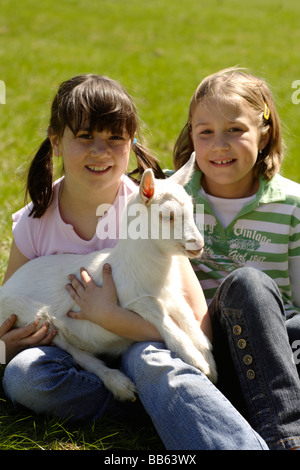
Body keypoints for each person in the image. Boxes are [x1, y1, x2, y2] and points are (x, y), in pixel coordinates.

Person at [0, 73, 267, 450]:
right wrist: (6, 347)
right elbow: (7, 311)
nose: (100, 151)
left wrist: (115, 320)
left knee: (153, 364)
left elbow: (192, 318)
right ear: (56, 142)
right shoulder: (35, 220)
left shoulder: (153, 207)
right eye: (85, 137)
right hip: (70, 351)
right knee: (23, 376)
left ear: (132, 145)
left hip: (139, 346)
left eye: (115, 139)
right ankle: (154, 407)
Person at [173, 67, 300, 450]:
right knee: (249, 282)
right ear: (191, 135)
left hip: (280, 345)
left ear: (264, 133)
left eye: (235, 130)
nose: (219, 145)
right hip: (213, 349)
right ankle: (288, 438)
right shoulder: (173, 198)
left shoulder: (291, 204)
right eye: (205, 132)